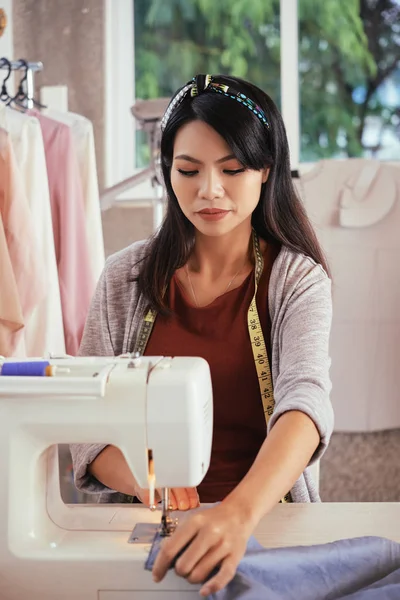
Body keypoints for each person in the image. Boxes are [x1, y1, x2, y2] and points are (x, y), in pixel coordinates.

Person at [70, 73, 333, 596]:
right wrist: (153, 487)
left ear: (265, 171)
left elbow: (305, 404)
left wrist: (234, 515)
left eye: (232, 169)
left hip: (263, 519)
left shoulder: (297, 280)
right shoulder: (123, 279)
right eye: (187, 170)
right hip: (145, 525)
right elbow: (85, 421)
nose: (208, 190)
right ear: (167, 173)